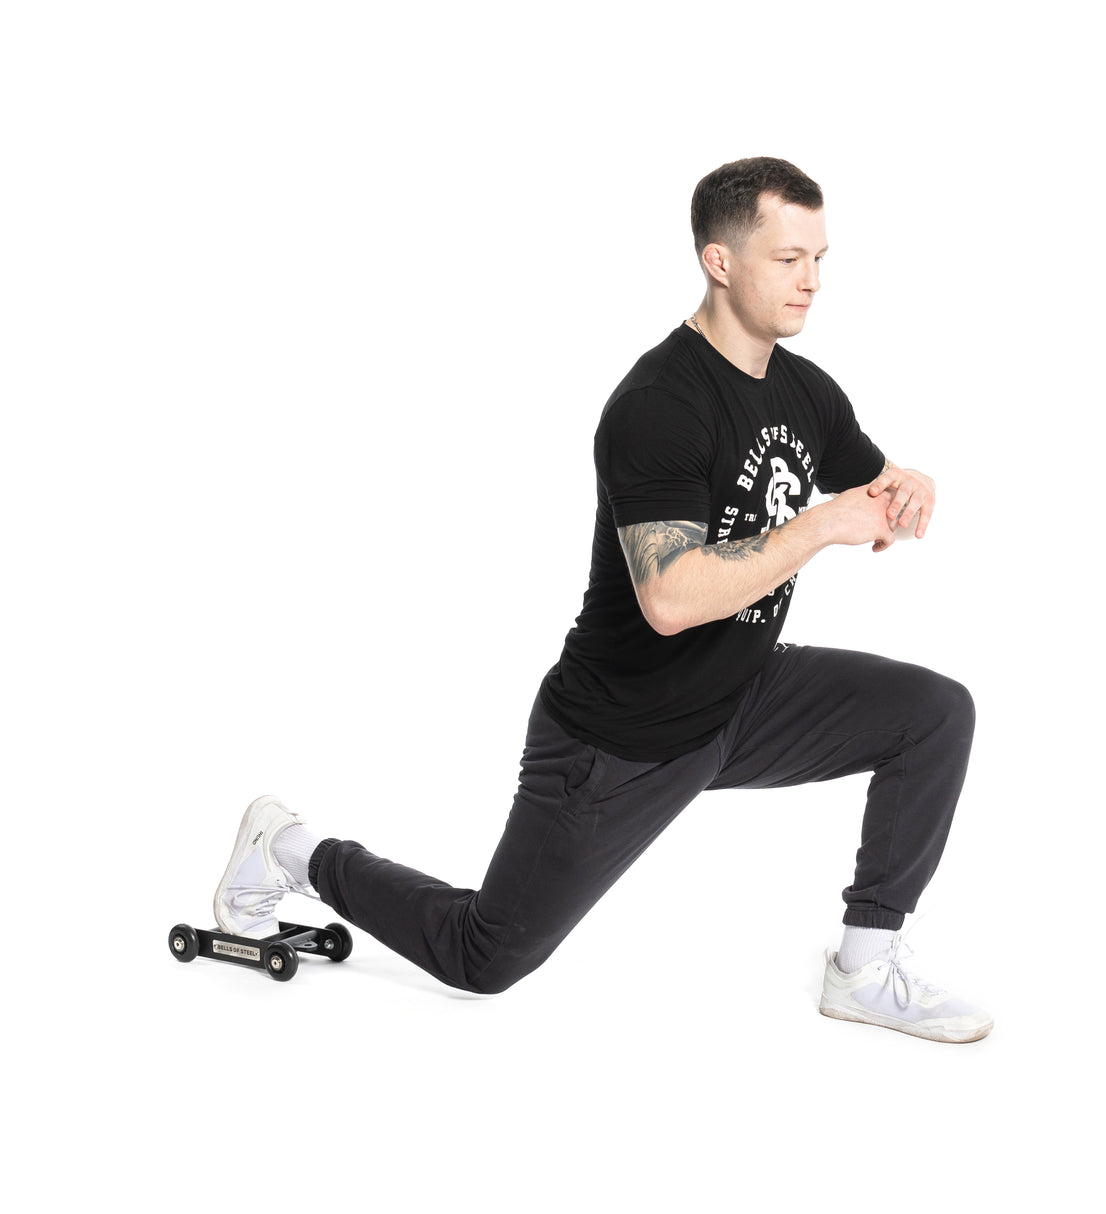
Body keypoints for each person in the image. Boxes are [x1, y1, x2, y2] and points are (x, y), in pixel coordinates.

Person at [213, 157, 992, 1043]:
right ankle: (289, 848)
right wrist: (818, 528)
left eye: (821, 257)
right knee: (485, 957)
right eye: (787, 259)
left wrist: (906, 486)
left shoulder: (804, 390)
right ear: (720, 260)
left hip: (741, 695)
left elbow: (872, 482)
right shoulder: (660, 404)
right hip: (622, 735)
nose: (811, 280)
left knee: (933, 714)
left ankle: (863, 967)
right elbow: (669, 598)